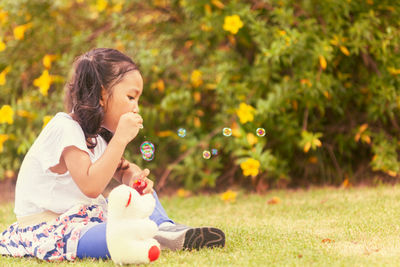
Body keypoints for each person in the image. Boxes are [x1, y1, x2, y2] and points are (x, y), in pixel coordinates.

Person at [0, 48, 225, 261]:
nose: (136, 108)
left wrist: (136, 181)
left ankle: (164, 228)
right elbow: (91, 185)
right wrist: (120, 139)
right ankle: (139, 236)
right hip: (51, 225)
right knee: (107, 233)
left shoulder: (99, 135)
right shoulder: (65, 127)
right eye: (131, 97)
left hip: (86, 217)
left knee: (140, 198)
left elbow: (124, 171)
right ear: (101, 95)